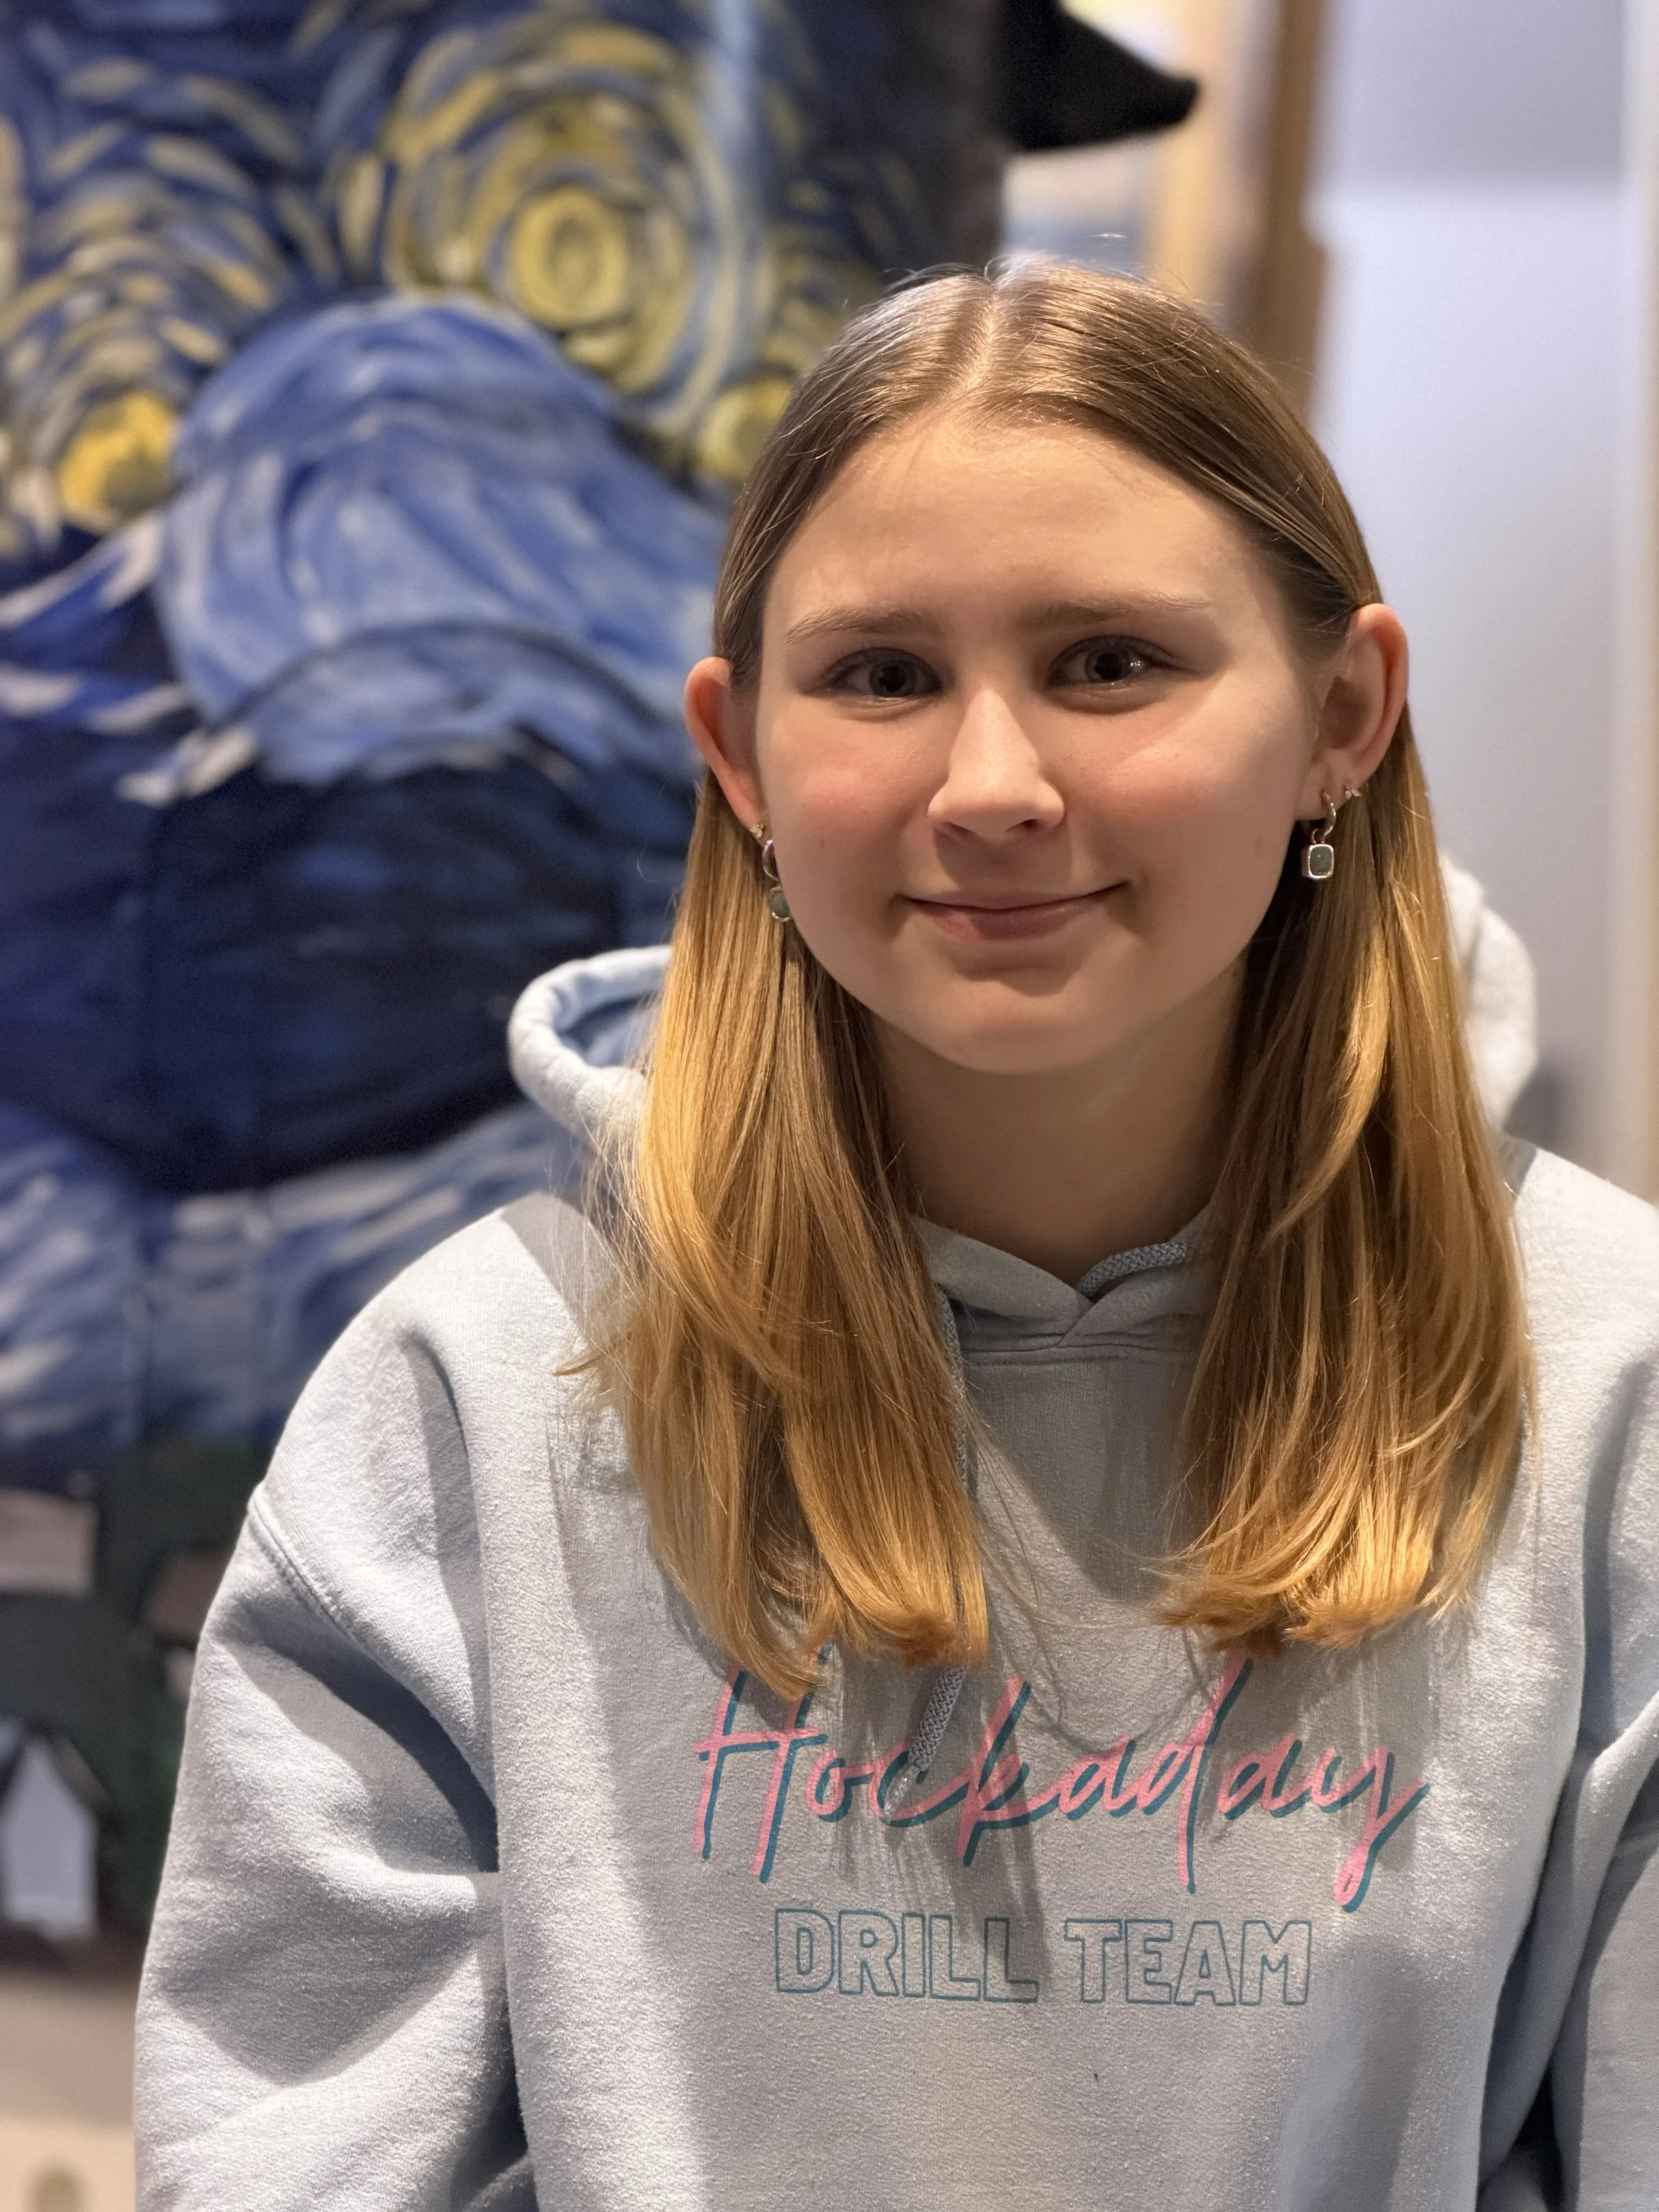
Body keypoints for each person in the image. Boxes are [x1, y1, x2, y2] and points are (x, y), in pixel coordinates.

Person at [134, 264, 1658, 2211]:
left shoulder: (1600, 1384)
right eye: (881, 675)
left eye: (1110, 660)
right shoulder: (478, 1395)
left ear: (1342, 713)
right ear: (743, 756)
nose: (994, 785)